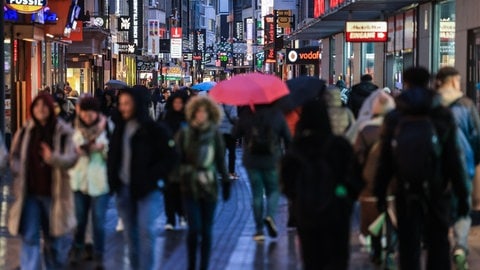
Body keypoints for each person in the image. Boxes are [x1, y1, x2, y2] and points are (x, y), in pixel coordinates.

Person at [375, 67, 469, 270]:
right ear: (429, 82)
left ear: (405, 83)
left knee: (409, 244)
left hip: (405, 188)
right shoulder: (441, 113)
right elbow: (454, 157)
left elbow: (385, 160)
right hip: (437, 189)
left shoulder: (395, 116)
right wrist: (462, 194)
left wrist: (380, 192)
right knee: (438, 242)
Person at [281, 98, 362, 270]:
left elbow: (287, 184)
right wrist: (345, 197)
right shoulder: (340, 146)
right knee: (337, 258)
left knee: (312, 259)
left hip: (307, 212)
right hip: (337, 210)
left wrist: (298, 200)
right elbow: (355, 177)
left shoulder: (297, 148)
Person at [107, 85, 178, 270]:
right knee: (131, 237)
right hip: (124, 189)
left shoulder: (153, 129)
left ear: (137, 104)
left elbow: (170, 157)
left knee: (146, 232)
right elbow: (114, 156)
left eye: (127, 103)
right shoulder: (119, 129)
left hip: (147, 189)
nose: (122, 107)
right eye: (120, 103)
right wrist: (113, 181)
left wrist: (154, 177)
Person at [8, 94, 78, 269]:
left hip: (54, 194)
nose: (40, 109)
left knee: (54, 239)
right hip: (30, 194)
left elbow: (72, 158)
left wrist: (52, 158)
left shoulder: (63, 132)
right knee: (30, 237)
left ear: (50, 108)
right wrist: (17, 170)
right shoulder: (25, 131)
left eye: (44, 106)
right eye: (37, 105)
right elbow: (14, 155)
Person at [176, 96, 231, 270]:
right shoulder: (185, 133)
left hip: (209, 186)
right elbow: (177, 159)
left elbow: (221, 159)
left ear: (210, 114)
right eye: (198, 112)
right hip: (189, 186)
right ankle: (192, 264)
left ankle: (204, 265)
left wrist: (226, 180)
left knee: (206, 231)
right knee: (194, 229)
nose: (201, 115)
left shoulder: (214, 134)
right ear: (193, 113)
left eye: (204, 112)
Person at [435, 66, 480, 270]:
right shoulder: (466, 104)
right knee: (462, 206)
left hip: (434, 166)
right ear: (453, 81)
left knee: (439, 206)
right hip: (462, 163)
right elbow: (476, 136)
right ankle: (460, 246)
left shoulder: (430, 104)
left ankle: (438, 242)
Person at [235, 104, 291, 241]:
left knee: (257, 193)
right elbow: (288, 138)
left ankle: (259, 230)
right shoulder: (277, 115)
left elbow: (234, 134)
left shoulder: (247, 114)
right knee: (274, 190)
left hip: (252, 160)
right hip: (272, 160)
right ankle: (270, 216)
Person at [353, 91, 395, 265]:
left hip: (370, 182)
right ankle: (391, 249)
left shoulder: (366, 130)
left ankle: (377, 250)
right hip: (393, 181)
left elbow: (358, 157)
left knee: (374, 216)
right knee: (392, 215)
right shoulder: (397, 127)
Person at [68, 97, 110, 269]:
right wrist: (75, 151)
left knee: (99, 222)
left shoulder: (107, 127)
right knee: (79, 220)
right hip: (79, 180)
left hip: (100, 181)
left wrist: (103, 149)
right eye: (84, 112)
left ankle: (99, 254)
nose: (87, 115)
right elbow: (67, 151)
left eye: (91, 112)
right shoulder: (73, 127)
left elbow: (114, 153)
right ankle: (78, 249)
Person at [159, 91, 189, 230]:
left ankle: (182, 214)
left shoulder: (188, 119)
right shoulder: (165, 117)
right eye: (175, 102)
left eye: (180, 103)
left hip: (184, 160)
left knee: (181, 190)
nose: (177, 105)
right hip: (167, 159)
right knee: (168, 190)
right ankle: (170, 219)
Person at [219, 104, 239, 179]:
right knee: (232, 153)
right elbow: (233, 116)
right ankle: (231, 172)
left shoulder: (217, 103)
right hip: (230, 131)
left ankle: (222, 171)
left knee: (222, 153)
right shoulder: (232, 103)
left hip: (219, 131)